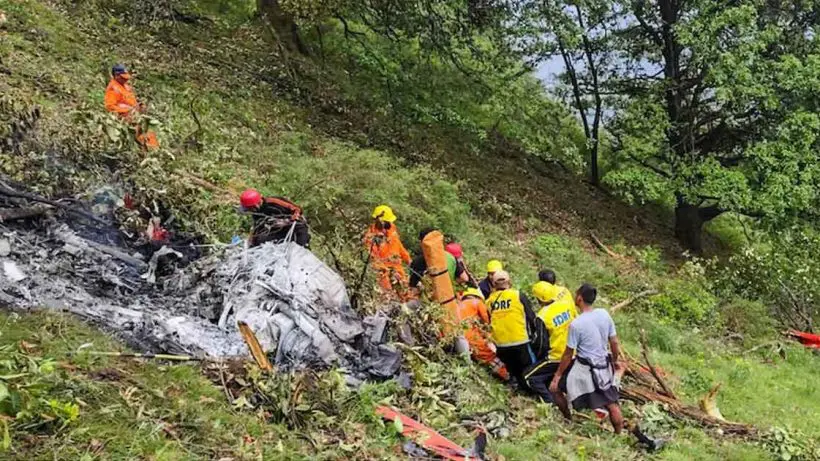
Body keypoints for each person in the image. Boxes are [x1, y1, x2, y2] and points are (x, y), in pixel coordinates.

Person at [549, 283, 624, 431]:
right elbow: (614, 341)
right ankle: (618, 433)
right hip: (603, 364)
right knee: (611, 402)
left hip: (584, 368)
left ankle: (567, 418)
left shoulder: (576, 324)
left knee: (555, 389)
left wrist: (557, 375)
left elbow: (568, 354)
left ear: (579, 299)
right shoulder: (604, 314)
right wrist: (614, 361)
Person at [522, 280, 577, 403]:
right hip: (573, 353)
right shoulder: (565, 305)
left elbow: (542, 343)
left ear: (538, 299)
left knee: (529, 377)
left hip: (555, 357)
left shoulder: (543, 316)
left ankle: (550, 401)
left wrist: (537, 354)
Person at [486, 270, 538, 390]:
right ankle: (532, 391)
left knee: (513, 369)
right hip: (520, 340)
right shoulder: (518, 295)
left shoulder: (489, 301)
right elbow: (531, 316)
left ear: (494, 284)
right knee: (530, 369)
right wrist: (535, 333)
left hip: (501, 344)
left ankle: (516, 386)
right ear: (509, 281)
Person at [456, 288, 509, 380]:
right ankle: (507, 376)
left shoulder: (459, 305)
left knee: (479, 357)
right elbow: (486, 320)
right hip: (471, 336)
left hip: (459, 336)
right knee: (489, 355)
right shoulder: (477, 302)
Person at [104, 64, 159, 149]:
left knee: (149, 131)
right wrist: (127, 110)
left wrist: (139, 106)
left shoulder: (126, 86)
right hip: (123, 119)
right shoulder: (112, 88)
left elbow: (131, 101)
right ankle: (146, 151)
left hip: (135, 116)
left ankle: (154, 150)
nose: (125, 79)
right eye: (123, 77)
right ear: (116, 75)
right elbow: (110, 107)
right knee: (140, 135)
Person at [363, 205, 412, 299]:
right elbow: (374, 259)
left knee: (406, 294)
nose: (390, 223)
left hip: (398, 269)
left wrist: (408, 259)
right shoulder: (371, 238)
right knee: (389, 297)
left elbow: (399, 246)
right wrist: (387, 272)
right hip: (383, 273)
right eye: (387, 221)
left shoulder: (392, 229)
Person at [240, 189, 310, 247]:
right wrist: (252, 242)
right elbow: (257, 228)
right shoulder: (256, 213)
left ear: (256, 205)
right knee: (260, 240)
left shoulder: (273, 202)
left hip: (296, 228)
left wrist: (290, 219)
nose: (249, 211)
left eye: (250, 209)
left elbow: (297, 209)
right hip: (280, 231)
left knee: (300, 247)